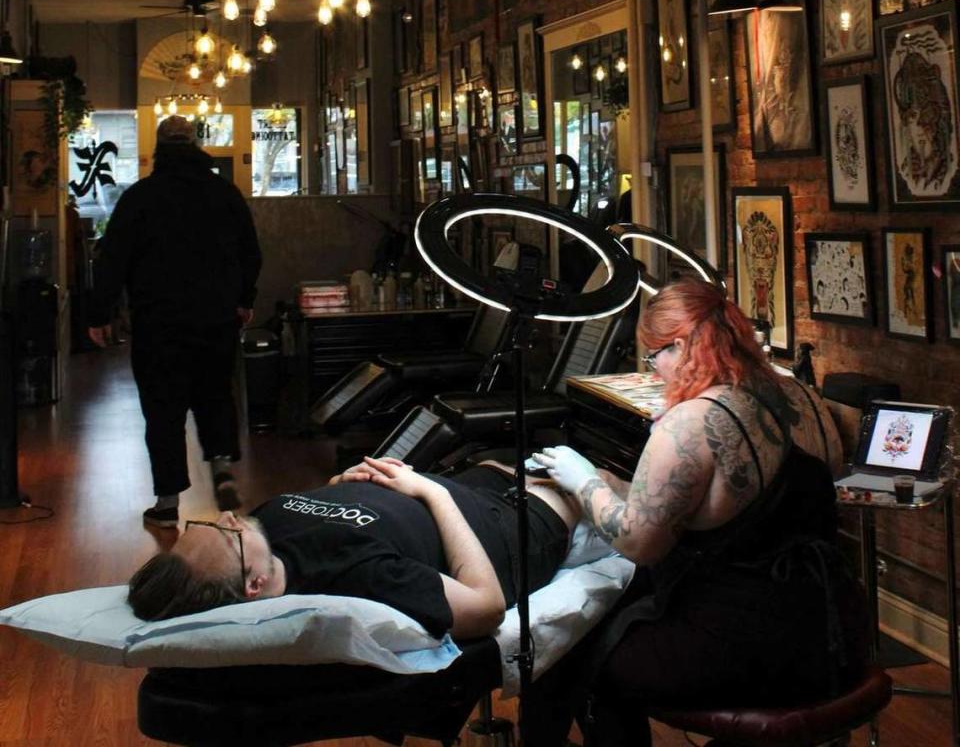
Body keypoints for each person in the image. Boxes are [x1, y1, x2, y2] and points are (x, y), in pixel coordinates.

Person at [527, 277, 870, 747]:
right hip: (830, 631)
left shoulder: (693, 422)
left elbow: (639, 544)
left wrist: (581, 479)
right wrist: (618, 483)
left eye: (655, 356)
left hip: (746, 648)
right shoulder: (802, 397)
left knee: (577, 656)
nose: (654, 372)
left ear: (684, 344)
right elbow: (734, 506)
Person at [126, 457, 580, 640]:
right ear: (255, 585)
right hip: (506, 526)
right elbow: (486, 607)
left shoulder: (264, 527)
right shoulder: (356, 579)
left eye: (205, 522)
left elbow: (332, 514)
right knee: (592, 478)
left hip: (457, 483)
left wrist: (341, 487)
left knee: (513, 454)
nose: (229, 517)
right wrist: (431, 494)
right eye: (229, 535)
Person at [87, 115, 262, 529]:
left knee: (162, 407)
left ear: (159, 147)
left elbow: (112, 260)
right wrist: (243, 299)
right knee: (215, 394)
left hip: (158, 323)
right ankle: (221, 468)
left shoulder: (141, 198)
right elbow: (250, 253)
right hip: (215, 318)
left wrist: (98, 314)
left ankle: (167, 502)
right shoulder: (225, 194)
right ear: (197, 144)